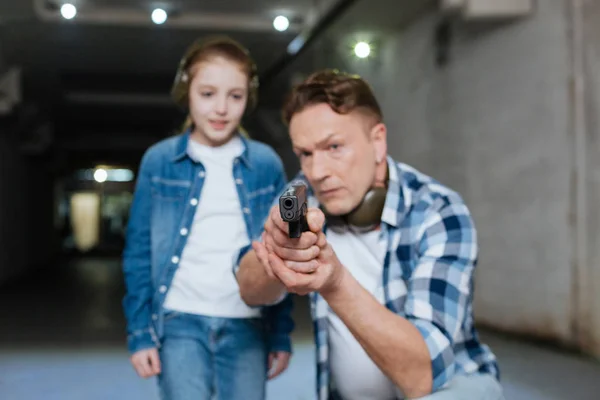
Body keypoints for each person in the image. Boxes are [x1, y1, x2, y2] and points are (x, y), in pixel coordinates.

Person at [235, 69, 503, 400]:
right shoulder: (299, 195)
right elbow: (248, 290)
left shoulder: (438, 210)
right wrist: (277, 251)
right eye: (305, 153)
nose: (317, 172)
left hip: (453, 387)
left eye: (333, 146)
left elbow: (422, 378)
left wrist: (334, 282)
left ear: (377, 141)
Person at [121, 36, 294, 400]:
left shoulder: (266, 165)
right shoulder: (159, 161)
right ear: (187, 92)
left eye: (235, 96)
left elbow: (283, 253)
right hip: (179, 321)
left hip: (248, 323)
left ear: (249, 98)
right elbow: (138, 251)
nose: (221, 108)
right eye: (208, 93)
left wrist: (280, 333)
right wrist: (140, 333)